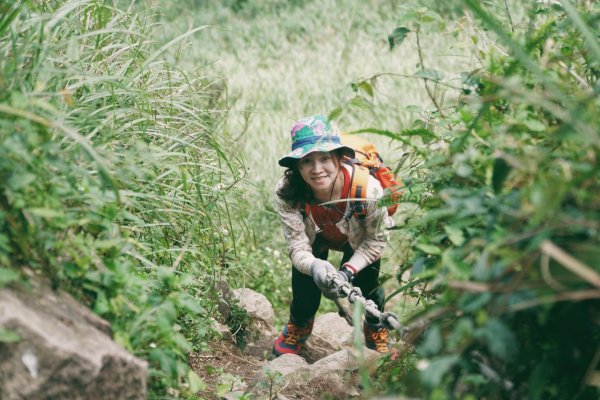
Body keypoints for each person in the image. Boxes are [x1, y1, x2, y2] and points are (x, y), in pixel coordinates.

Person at [272, 115, 395, 357]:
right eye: (307, 161)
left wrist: (347, 271)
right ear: (297, 166)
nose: (317, 170)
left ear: (339, 159)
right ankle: (300, 324)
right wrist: (316, 266)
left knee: (367, 286)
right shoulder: (288, 193)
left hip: (359, 240)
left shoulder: (368, 191)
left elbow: (376, 240)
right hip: (315, 236)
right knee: (304, 284)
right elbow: (298, 246)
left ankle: (375, 326)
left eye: (325, 158)